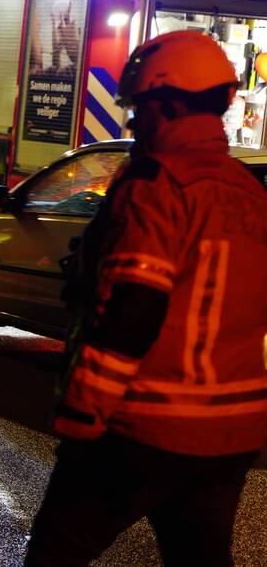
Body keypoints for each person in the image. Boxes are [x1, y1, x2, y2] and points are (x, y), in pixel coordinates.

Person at [25, 30, 267, 566]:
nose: (135, 124)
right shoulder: (248, 191)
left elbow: (133, 307)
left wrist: (83, 412)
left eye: (141, 109)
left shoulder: (157, 186)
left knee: (55, 554)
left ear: (171, 105)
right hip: (231, 433)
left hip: (144, 425)